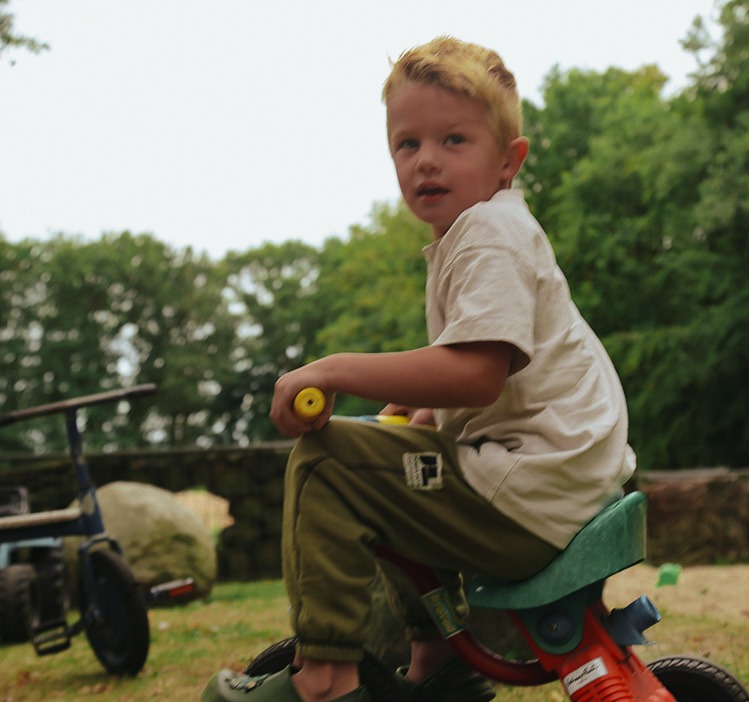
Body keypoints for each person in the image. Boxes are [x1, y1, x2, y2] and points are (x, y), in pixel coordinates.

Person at [203, 35, 636, 702]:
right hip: (547, 484)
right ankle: (437, 665)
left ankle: (324, 679)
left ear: (508, 160)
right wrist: (420, 410)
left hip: (530, 494)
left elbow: (476, 375)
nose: (426, 160)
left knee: (326, 462)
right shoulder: (485, 232)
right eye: (407, 145)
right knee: (389, 464)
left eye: (454, 140)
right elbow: (498, 378)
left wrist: (333, 370)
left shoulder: (488, 236)